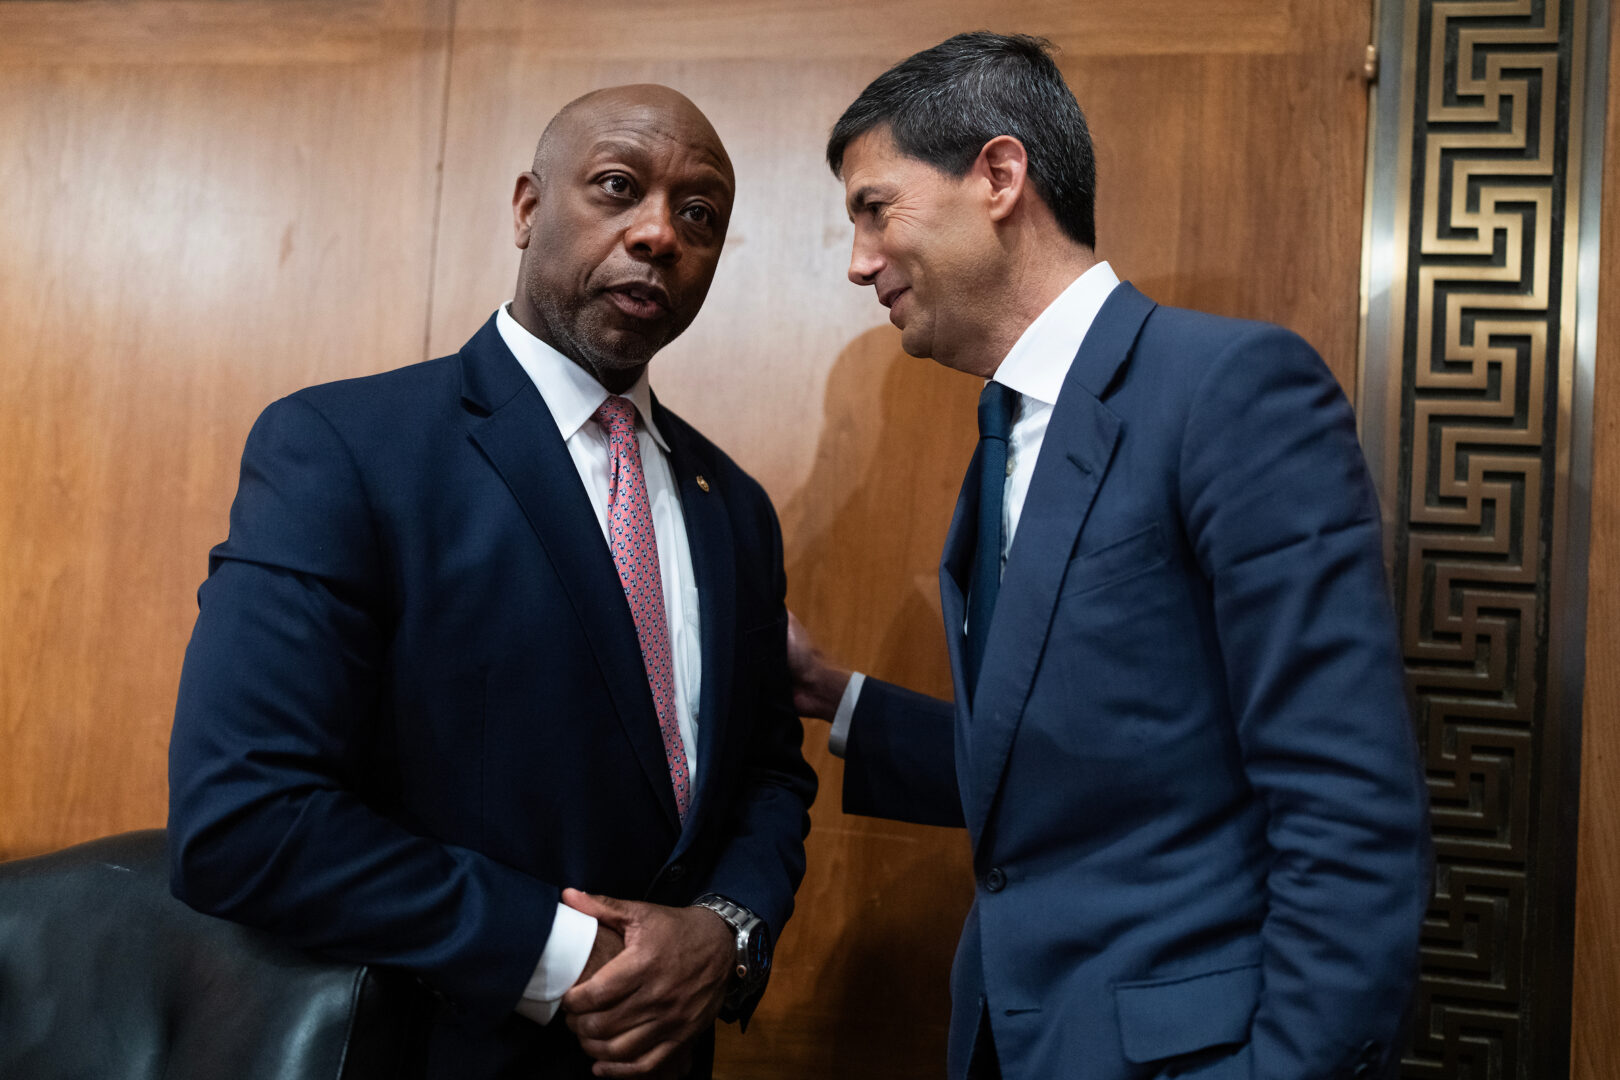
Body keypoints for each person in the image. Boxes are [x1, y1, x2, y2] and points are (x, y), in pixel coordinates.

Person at [788, 32, 1431, 1080]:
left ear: (999, 176)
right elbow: (1088, 766)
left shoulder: (1228, 389)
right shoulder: (1005, 439)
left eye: (874, 209)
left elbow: (1348, 806)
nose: (860, 261)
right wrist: (832, 694)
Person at [167, 84, 816, 1080]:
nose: (657, 234)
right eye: (617, 186)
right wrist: (567, 957)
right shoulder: (346, 449)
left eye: (700, 214)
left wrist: (723, 931)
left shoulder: (733, 504)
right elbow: (244, 819)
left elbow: (770, 774)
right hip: (429, 1049)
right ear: (526, 207)